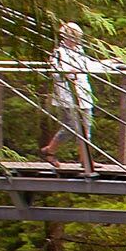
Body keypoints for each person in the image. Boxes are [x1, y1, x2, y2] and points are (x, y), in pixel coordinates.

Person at [45, 21, 109, 163]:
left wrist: (110, 63)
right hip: (67, 95)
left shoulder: (79, 50)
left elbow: (88, 65)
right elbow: (54, 73)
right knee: (71, 127)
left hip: (83, 94)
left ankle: (85, 160)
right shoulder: (58, 53)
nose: (75, 40)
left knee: (86, 127)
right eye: (72, 37)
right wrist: (67, 73)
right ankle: (50, 151)